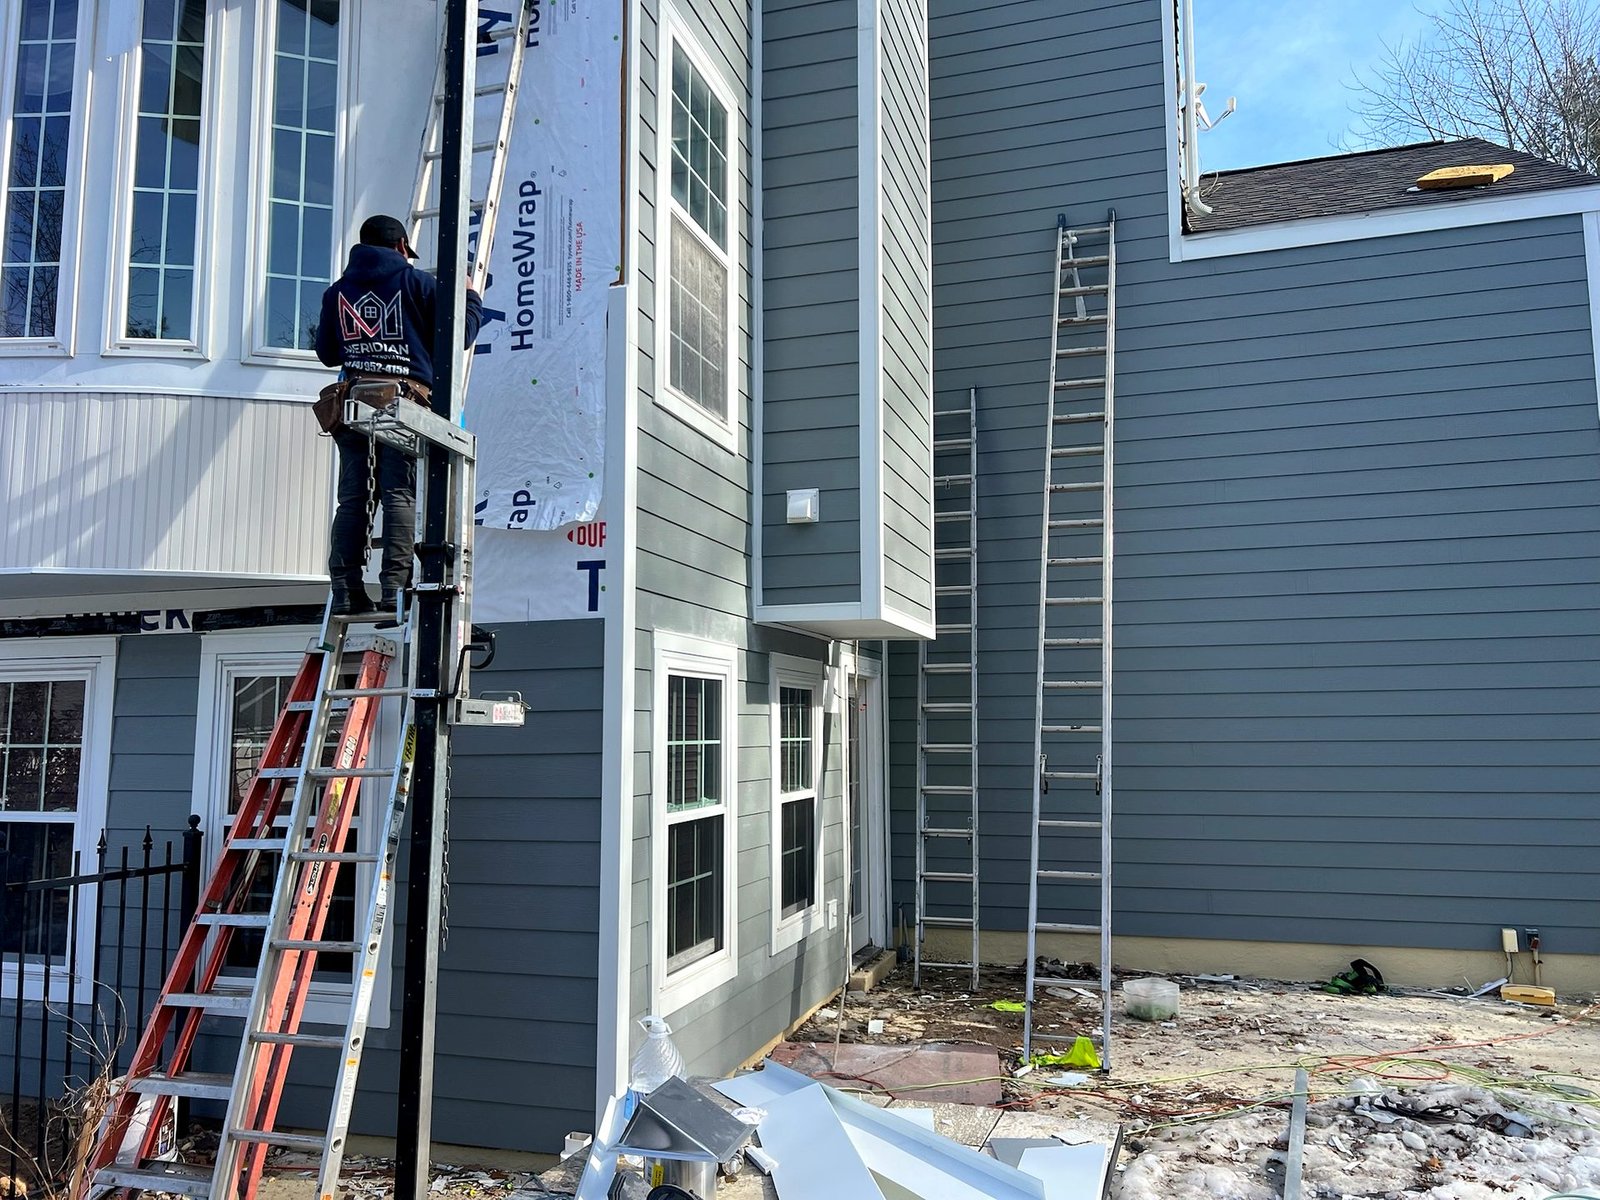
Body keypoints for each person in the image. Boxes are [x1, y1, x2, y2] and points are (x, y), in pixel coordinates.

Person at [315, 214, 483, 618]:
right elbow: (456, 338)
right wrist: (470, 299)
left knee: (353, 501)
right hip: (401, 403)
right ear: (401, 247)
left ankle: (346, 590)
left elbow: (327, 354)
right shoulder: (418, 284)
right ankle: (394, 589)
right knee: (398, 494)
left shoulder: (338, 293)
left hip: (352, 403)